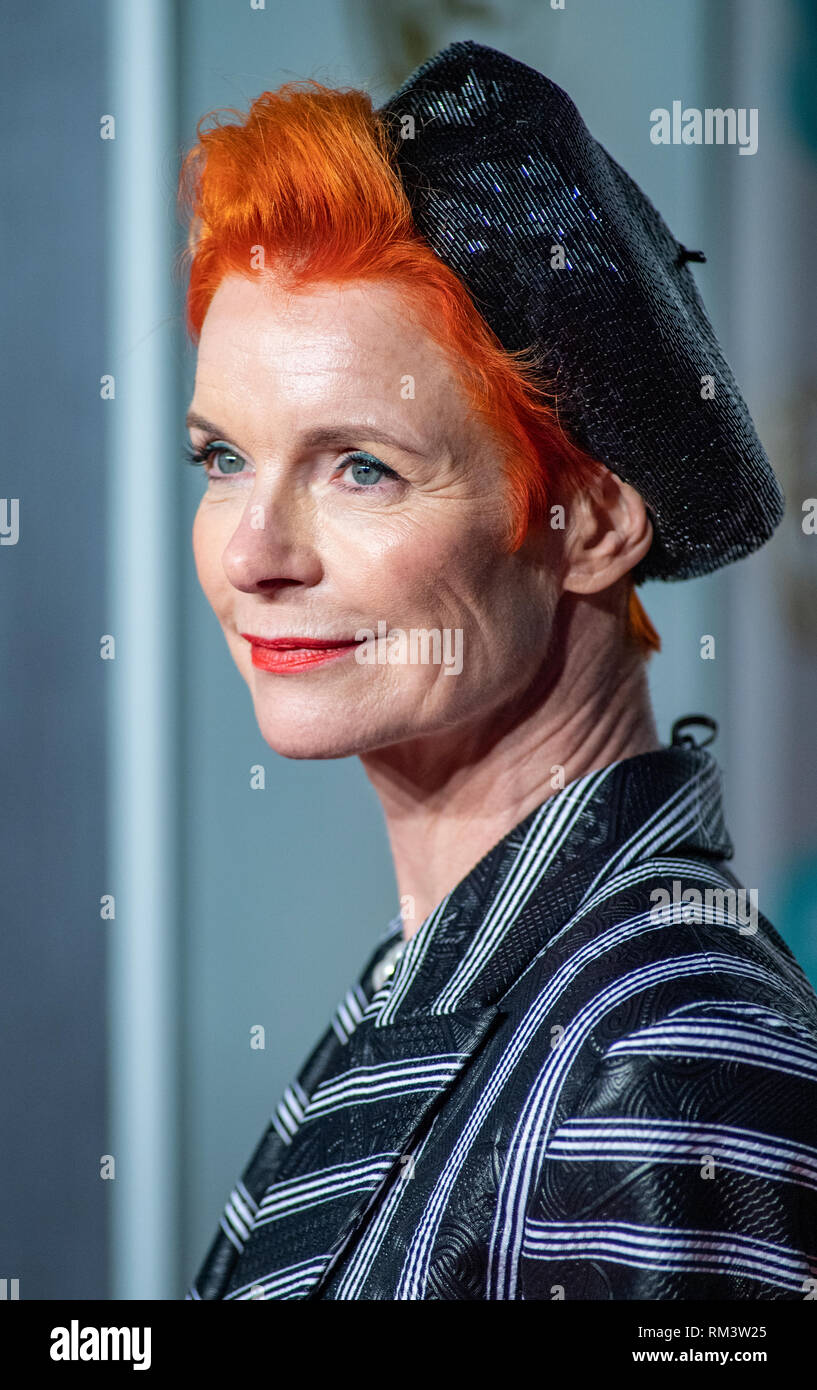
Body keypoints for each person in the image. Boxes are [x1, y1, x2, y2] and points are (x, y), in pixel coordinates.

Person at [180, 40, 817, 1300]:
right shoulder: (460, 987)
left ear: (587, 522)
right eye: (222, 458)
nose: (252, 552)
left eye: (361, 465)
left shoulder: (663, 1059)